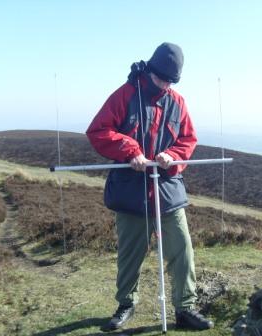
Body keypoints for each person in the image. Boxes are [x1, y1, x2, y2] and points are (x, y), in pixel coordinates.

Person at [86, 42, 214, 331]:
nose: (165, 85)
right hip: (130, 191)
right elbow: (98, 131)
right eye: (161, 79)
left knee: (182, 249)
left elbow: (188, 140)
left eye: (171, 81)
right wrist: (130, 150)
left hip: (167, 190)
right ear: (150, 70)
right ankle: (126, 305)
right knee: (130, 253)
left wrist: (173, 156)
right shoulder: (125, 94)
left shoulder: (177, 101)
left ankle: (185, 308)